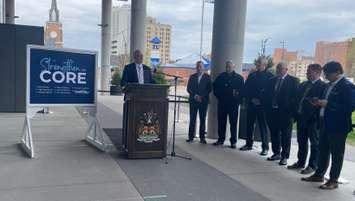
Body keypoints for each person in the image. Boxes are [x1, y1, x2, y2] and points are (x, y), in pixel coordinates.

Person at [302, 61, 355, 190]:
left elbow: (350, 107)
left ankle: (333, 180)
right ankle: (319, 174)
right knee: (323, 150)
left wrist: (327, 104)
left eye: (328, 74)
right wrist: (318, 102)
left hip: (338, 126)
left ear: (338, 72)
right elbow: (326, 101)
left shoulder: (346, 86)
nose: (326, 77)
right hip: (324, 122)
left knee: (336, 154)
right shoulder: (329, 85)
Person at [287, 64, 327, 174]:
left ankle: (312, 165)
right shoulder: (303, 84)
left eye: (309, 72)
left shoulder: (323, 86)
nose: (307, 74)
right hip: (301, 117)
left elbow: (322, 103)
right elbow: (297, 99)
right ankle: (300, 162)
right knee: (302, 141)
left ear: (317, 73)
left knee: (314, 143)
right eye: (307, 72)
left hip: (313, 120)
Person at [266, 62, 299, 166]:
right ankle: (276, 153)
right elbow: (267, 95)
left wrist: (293, 114)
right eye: (277, 69)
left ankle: (285, 156)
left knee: (286, 136)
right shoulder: (272, 80)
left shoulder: (293, 81)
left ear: (286, 69)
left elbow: (295, 99)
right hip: (273, 112)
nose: (278, 71)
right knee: (274, 134)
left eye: (280, 69)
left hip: (286, 114)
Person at [240, 56, 274, 155]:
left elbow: (270, 92)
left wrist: (260, 100)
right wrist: (251, 99)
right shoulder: (252, 75)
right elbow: (246, 89)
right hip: (251, 104)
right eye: (258, 63)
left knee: (263, 126)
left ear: (265, 65)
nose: (258, 65)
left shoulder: (270, 77)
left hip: (263, 106)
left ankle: (265, 147)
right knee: (249, 125)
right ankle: (248, 144)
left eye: (260, 63)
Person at [212, 61, 244, 149]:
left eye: (229, 67)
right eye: (226, 67)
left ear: (234, 67)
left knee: (233, 124)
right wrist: (219, 97)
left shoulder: (239, 78)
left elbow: (242, 92)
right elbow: (215, 88)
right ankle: (221, 139)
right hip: (222, 104)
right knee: (221, 123)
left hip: (233, 105)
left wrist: (237, 98)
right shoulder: (221, 77)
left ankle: (233, 142)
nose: (227, 69)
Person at [186, 61, 212, 144]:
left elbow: (209, 89)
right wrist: (195, 96)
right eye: (197, 67)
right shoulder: (192, 77)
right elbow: (189, 88)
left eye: (200, 67)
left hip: (203, 101)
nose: (199, 68)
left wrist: (201, 97)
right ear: (196, 68)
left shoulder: (208, 77)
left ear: (203, 67)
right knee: (192, 119)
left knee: (202, 119)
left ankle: (202, 138)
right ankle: (190, 137)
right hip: (193, 101)